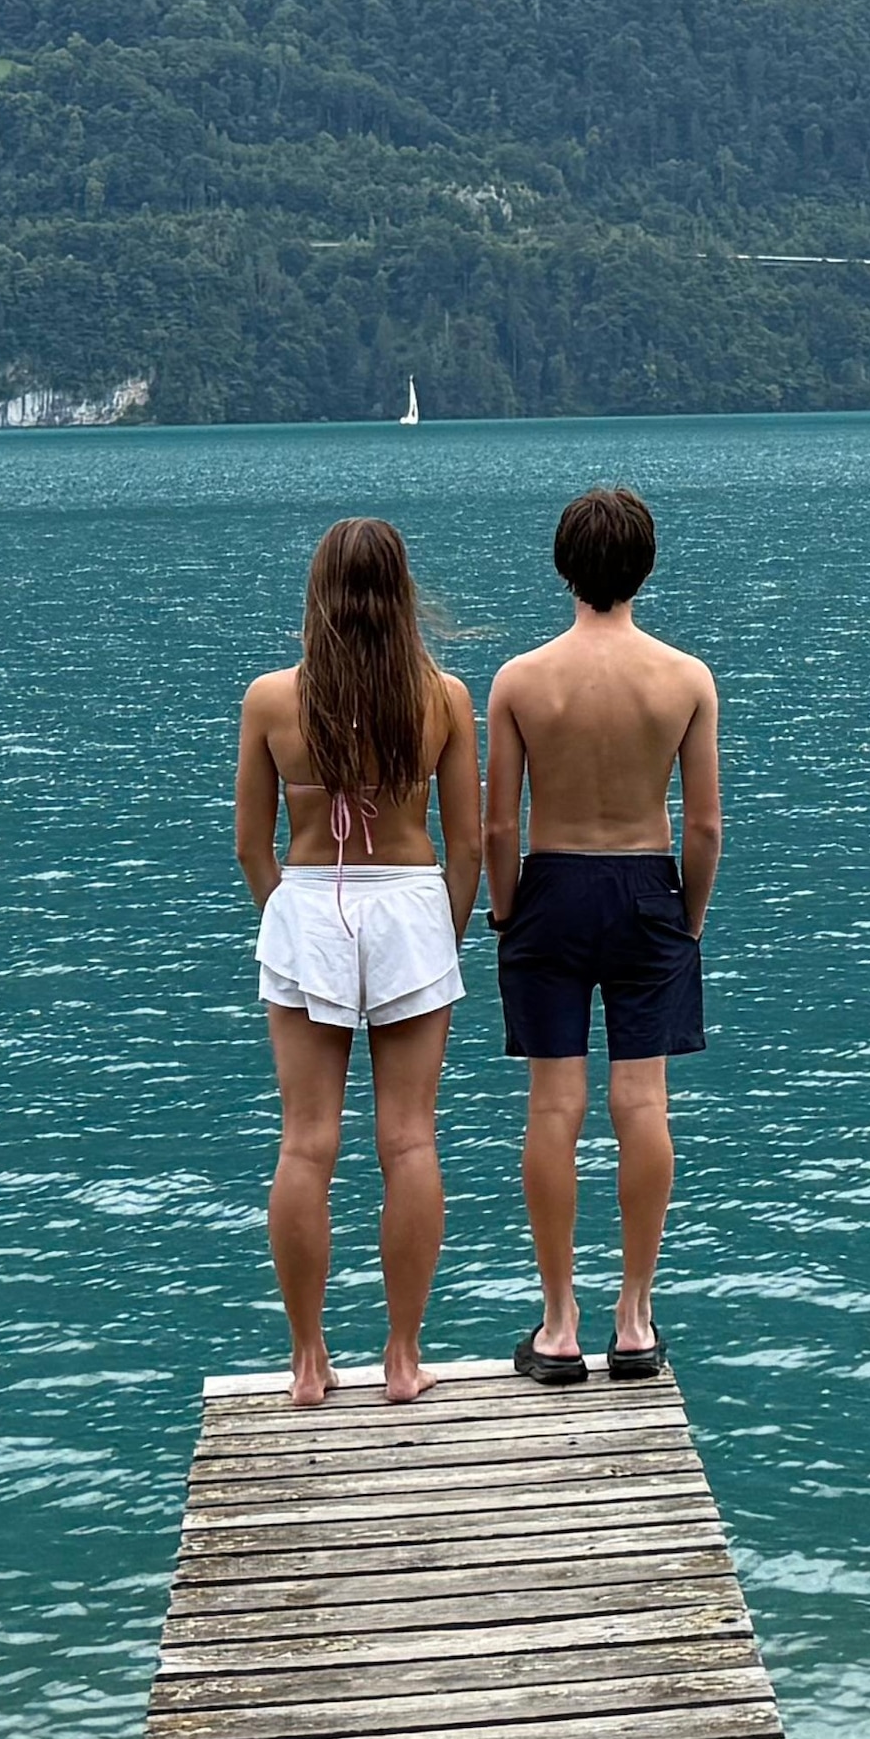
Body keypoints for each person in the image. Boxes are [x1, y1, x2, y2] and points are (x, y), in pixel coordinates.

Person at [237, 516, 481, 1407]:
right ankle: (404, 1358)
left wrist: (292, 927)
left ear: (319, 595)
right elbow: (469, 846)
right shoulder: (444, 699)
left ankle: (308, 1362)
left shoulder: (271, 700)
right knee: (409, 1139)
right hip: (412, 905)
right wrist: (442, 936)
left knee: (306, 1143)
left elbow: (251, 846)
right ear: (403, 595)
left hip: (308, 903)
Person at [481, 484, 721, 1385]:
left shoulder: (520, 680)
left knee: (554, 1107)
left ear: (564, 568)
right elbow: (704, 826)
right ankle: (634, 1318)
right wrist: (688, 917)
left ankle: (557, 1323)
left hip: (549, 885)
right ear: (645, 569)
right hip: (647, 885)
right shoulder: (685, 679)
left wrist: (506, 909)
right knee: (642, 1103)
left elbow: (498, 824)